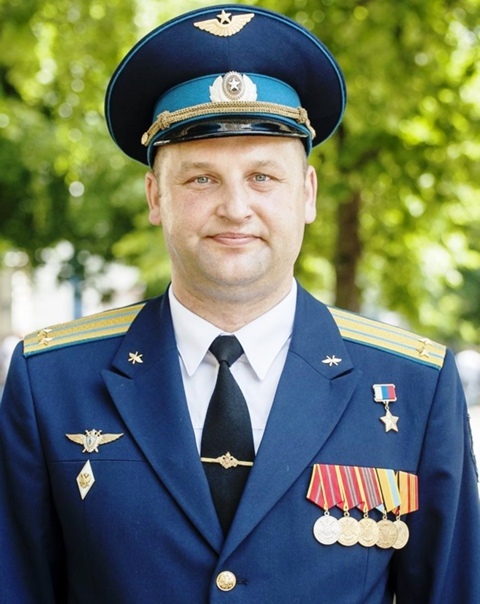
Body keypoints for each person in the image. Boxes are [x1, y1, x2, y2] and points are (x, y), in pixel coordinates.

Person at [0, 5, 478, 603]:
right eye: (201, 179)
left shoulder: (415, 386)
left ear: (307, 194)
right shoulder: (51, 382)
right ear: (155, 196)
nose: (234, 208)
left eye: (262, 177)